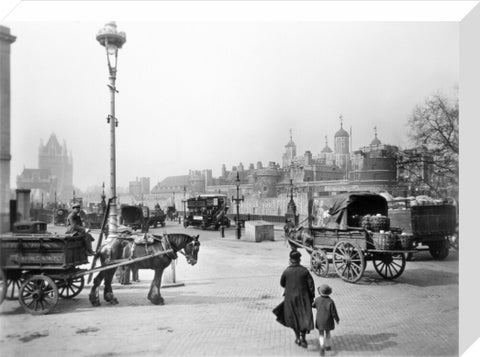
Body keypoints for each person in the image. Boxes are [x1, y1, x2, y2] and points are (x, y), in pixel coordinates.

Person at [275, 250, 315, 348]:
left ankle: (297, 338)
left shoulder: (287, 271)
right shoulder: (304, 271)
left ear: (290, 260)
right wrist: (311, 297)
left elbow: (282, 283)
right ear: (299, 260)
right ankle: (303, 338)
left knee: (293, 318)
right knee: (304, 318)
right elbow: (311, 286)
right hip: (304, 299)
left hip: (290, 299)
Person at [312, 284, 340, 355]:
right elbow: (334, 312)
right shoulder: (330, 301)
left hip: (320, 320)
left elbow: (313, 305)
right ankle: (328, 346)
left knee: (321, 333)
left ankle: (322, 346)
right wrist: (337, 319)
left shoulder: (317, 300)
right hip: (328, 320)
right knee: (328, 333)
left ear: (320, 292)